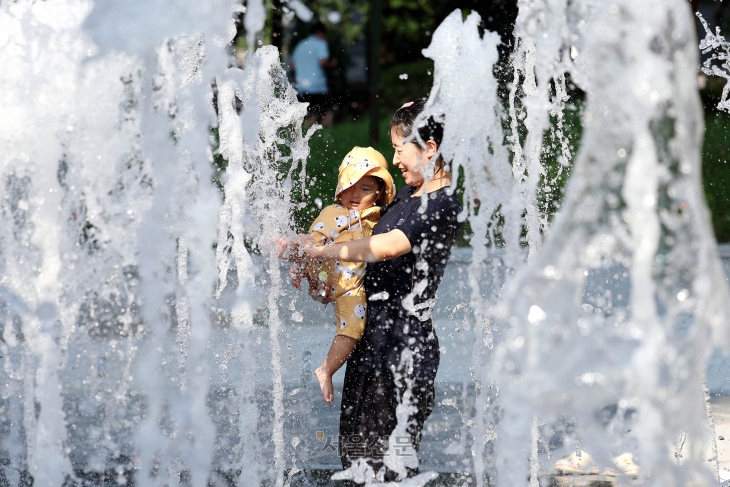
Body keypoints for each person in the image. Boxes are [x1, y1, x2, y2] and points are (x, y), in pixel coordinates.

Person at [284, 98, 464, 481]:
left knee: (385, 468)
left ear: (429, 148)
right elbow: (359, 235)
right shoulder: (404, 197)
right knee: (355, 462)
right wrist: (311, 256)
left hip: (403, 352)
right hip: (371, 344)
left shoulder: (442, 204)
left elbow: (386, 247)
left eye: (400, 149)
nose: (396, 160)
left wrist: (324, 251)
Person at [289, 147, 395, 404]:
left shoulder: (379, 218)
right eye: (350, 185)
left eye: (366, 188)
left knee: (352, 329)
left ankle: (326, 369)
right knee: (303, 244)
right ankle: (282, 246)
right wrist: (302, 264)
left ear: (380, 192)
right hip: (326, 272)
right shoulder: (331, 213)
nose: (355, 194)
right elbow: (313, 242)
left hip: (351, 288)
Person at [289, 21, 338, 128]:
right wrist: (332, 64)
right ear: (320, 33)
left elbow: (292, 64)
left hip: (302, 86)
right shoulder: (321, 43)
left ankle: (305, 136)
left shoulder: (301, 45)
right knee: (328, 112)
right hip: (317, 85)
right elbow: (322, 61)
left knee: (312, 114)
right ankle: (327, 135)